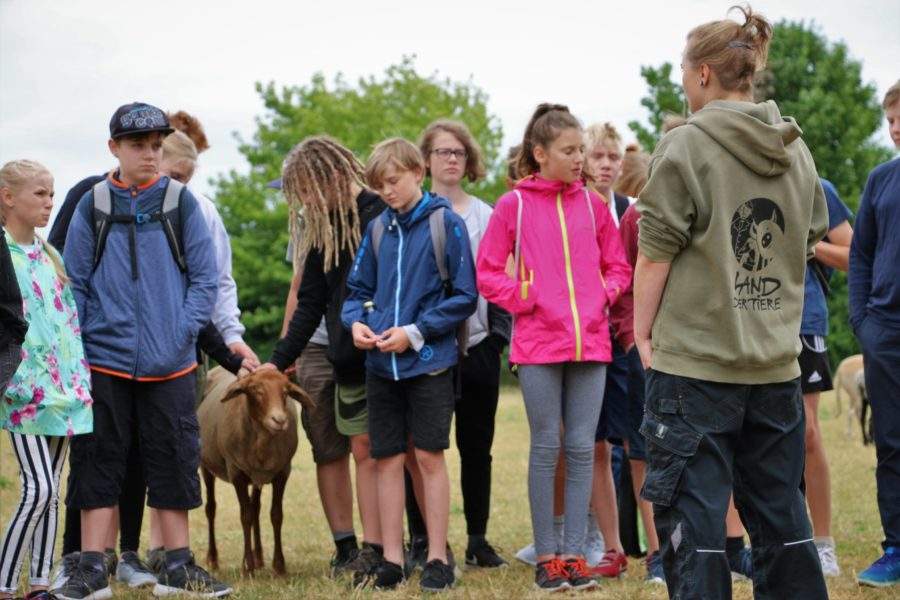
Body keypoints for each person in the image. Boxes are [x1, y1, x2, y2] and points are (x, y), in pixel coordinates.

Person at [633, 6, 829, 598]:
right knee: (782, 516)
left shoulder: (684, 147)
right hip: (773, 364)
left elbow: (655, 254)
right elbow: (811, 235)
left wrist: (643, 336)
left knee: (696, 527)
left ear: (702, 76)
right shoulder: (795, 149)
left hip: (695, 365)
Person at [54, 103, 229, 599]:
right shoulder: (93, 203)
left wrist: (182, 332)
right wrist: (88, 339)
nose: (150, 154)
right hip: (103, 360)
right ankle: (91, 565)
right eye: (138, 145)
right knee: (99, 459)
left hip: (171, 363)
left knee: (173, 457)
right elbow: (76, 282)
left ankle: (178, 564)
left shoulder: (180, 203)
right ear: (113, 148)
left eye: (156, 145)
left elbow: (205, 279)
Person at [477, 104, 631, 592]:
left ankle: (573, 557)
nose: (580, 159)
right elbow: (487, 271)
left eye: (581, 150)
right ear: (540, 155)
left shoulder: (591, 205)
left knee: (583, 446)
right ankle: (547, 557)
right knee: (548, 446)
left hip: (591, 342)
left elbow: (619, 267)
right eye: (569, 151)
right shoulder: (513, 206)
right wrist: (524, 297)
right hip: (538, 343)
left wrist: (601, 296)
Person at [342, 138, 477, 591]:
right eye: (380, 186)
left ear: (417, 172)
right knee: (386, 458)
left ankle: (438, 557)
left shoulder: (446, 224)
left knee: (428, 455)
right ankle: (392, 560)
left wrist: (415, 332)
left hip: (429, 364)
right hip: (381, 368)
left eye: (394, 181)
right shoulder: (378, 229)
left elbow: (465, 296)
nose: (388, 192)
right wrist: (358, 324)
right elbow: (356, 290)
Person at [259, 136, 386, 582]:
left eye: (307, 191)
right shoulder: (320, 228)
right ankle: (346, 547)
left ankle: (380, 546)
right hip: (328, 351)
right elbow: (309, 300)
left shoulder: (378, 214)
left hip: (375, 354)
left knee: (370, 450)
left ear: (332, 177)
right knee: (328, 448)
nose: (303, 202)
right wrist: (278, 360)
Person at [402, 119, 510, 569]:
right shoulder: (412, 214)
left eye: (459, 153)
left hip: (477, 346)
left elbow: (501, 281)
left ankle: (478, 539)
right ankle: (423, 538)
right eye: (443, 152)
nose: (451, 159)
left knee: (476, 445)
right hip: (424, 349)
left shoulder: (486, 216)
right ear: (424, 160)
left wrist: (497, 340)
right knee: (421, 448)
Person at [0, 160, 92, 600]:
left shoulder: (48, 255)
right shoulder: (2, 254)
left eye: (52, 194)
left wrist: (79, 382)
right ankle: (3, 584)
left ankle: (39, 585)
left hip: (62, 391)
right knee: (37, 488)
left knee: (52, 491)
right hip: (21, 388)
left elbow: (67, 323)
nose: (49, 203)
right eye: (40, 194)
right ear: (8, 197)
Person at [849, 79, 900, 588]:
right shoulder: (881, 180)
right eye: (889, 120)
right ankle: (896, 547)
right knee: (891, 442)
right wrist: (862, 322)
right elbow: (861, 253)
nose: (896, 128)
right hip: (885, 331)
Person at [582, 122, 631, 578]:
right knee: (593, 445)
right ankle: (606, 544)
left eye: (612, 158)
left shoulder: (630, 208)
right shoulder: (572, 209)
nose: (604, 165)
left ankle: (653, 550)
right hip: (588, 339)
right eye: (597, 156)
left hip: (628, 341)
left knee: (639, 446)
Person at [797, 178, 853, 577]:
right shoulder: (732, 176)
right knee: (750, 436)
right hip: (746, 322)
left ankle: (823, 543)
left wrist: (807, 244)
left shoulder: (816, 186)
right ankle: (767, 541)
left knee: (808, 433)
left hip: (803, 321)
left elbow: (854, 255)